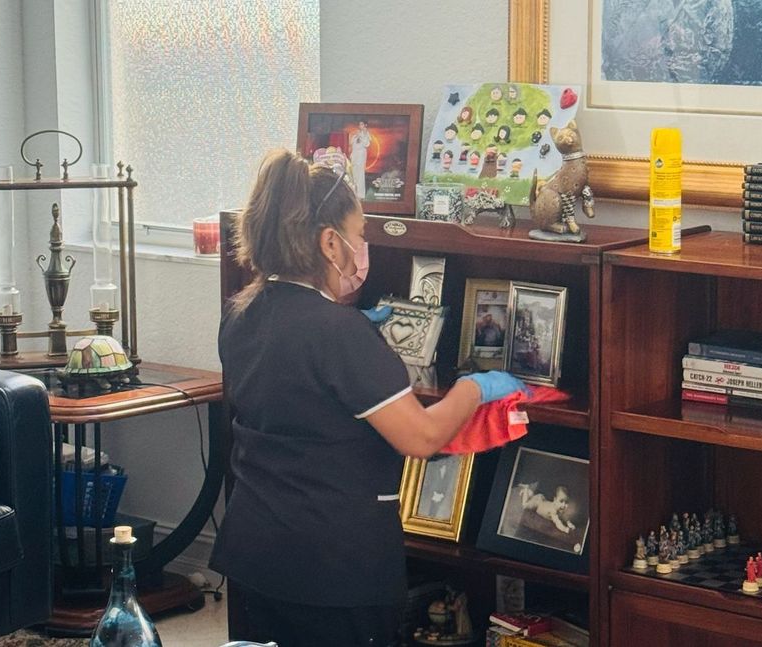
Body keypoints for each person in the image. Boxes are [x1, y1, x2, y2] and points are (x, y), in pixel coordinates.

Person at [211, 149, 526, 647]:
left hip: (255, 551)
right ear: (329, 243)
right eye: (360, 235)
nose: (364, 246)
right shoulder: (339, 334)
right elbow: (421, 437)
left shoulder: (241, 313)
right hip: (333, 567)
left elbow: (296, 395)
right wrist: (475, 386)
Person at [350, 120, 371, 198]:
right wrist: (356, 135)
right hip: (355, 155)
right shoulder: (356, 134)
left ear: (365, 125)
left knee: (360, 175)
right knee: (354, 174)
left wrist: (362, 135)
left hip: (361, 155)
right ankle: (354, 193)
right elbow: (352, 143)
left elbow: (367, 144)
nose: (360, 126)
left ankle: (360, 194)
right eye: (359, 124)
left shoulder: (366, 134)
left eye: (362, 124)